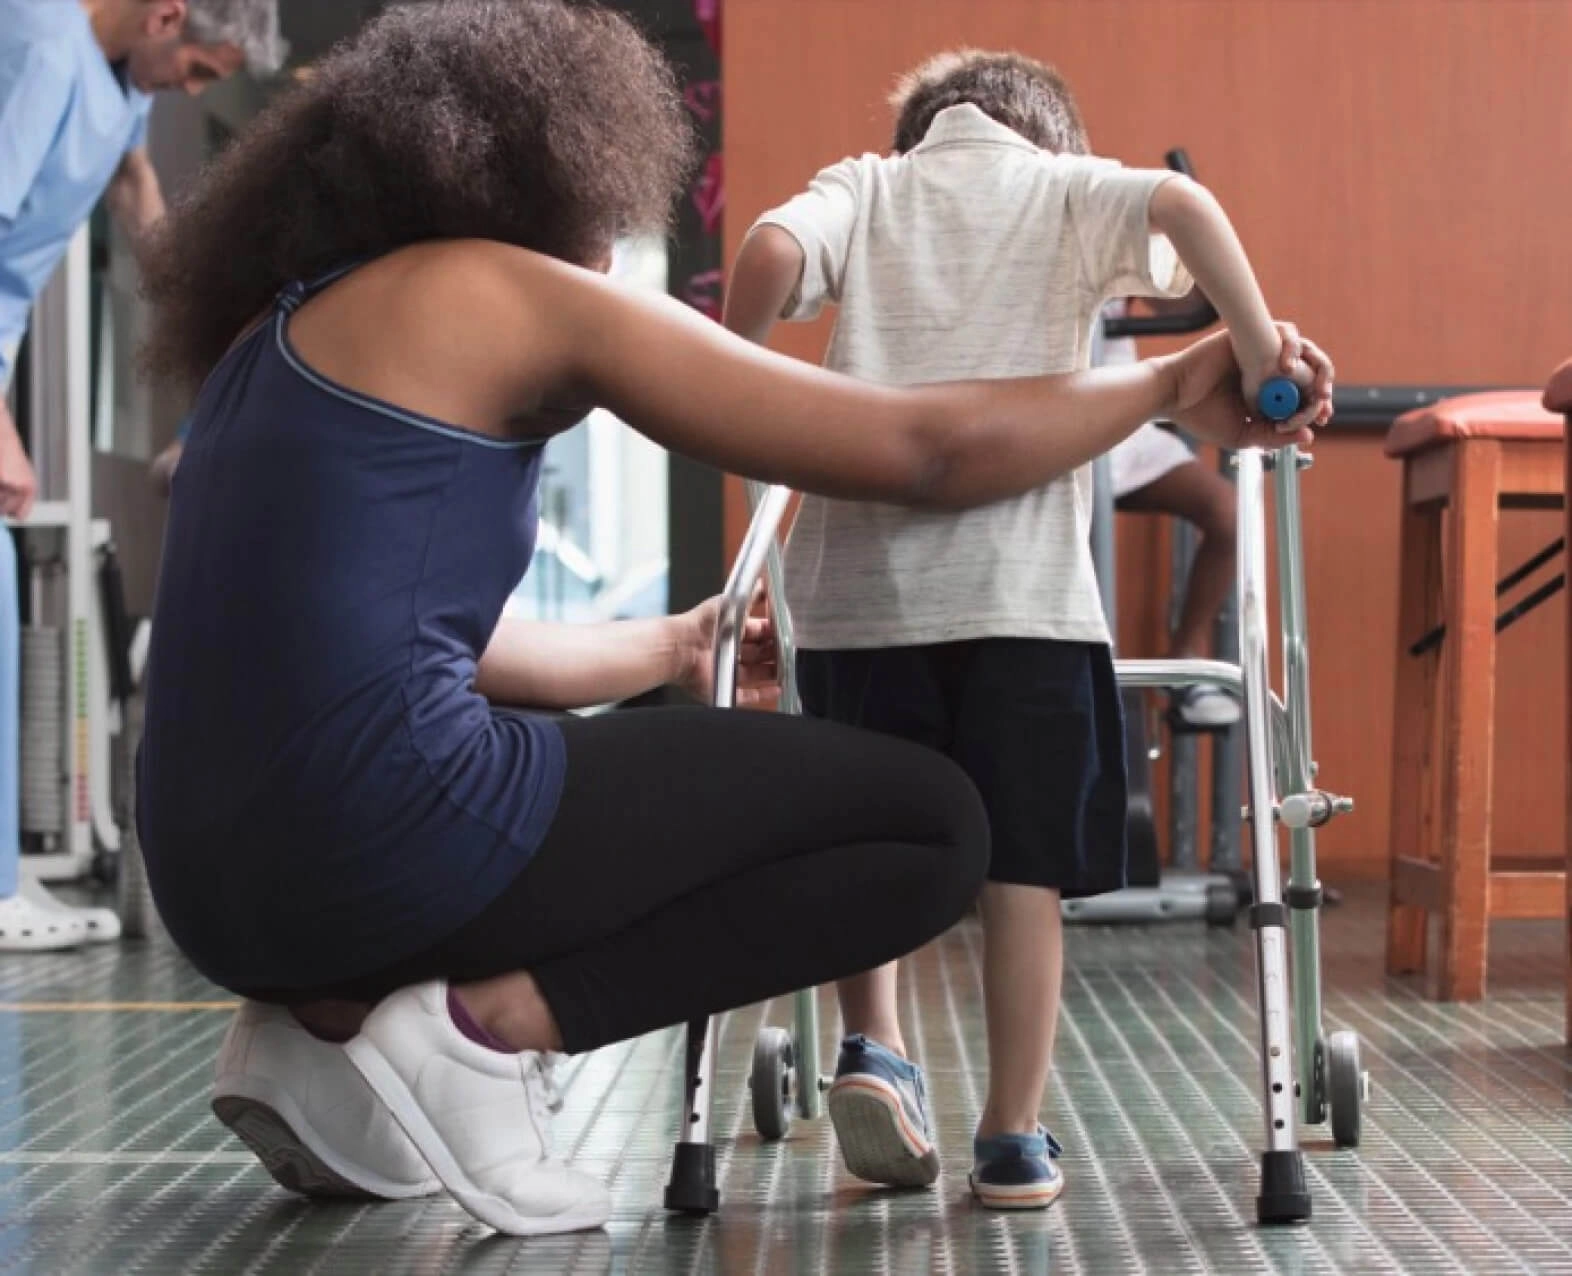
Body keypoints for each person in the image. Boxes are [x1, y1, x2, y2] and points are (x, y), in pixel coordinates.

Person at [135, 1, 1331, 1238]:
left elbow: (443, 651)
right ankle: (486, 1037)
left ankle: (316, 1028)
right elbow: (925, 449)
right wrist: (1176, 380)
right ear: (549, 166)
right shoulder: (495, 292)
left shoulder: (272, 346)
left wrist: (674, 644)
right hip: (386, 836)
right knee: (931, 826)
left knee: (566, 762)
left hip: (217, 893)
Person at [723, 49, 1325, 1210]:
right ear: (1048, 131)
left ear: (920, 131)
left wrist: (742, 386)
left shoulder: (871, 185)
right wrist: (1255, 346)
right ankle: (1011, 1133)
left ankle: (876, 1050)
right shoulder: (1061, 186)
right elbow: (1185, 204)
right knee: (1023, 870)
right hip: (1024, 601)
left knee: (870, 843)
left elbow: (766, 250)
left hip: (856, 597)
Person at [0, 0, 285, 951]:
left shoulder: (117, 79)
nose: (190, 89)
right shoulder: (42, 43)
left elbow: (129, 178)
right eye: (199, 70)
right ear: (167, 13)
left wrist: (203, 307)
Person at [1098, 295, 1242, 728]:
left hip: (1123, 422)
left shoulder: (1115, 237)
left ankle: (1185, 659)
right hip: (1055, 420)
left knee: (1228, 516)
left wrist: (1161, 239)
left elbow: (1187, 297)